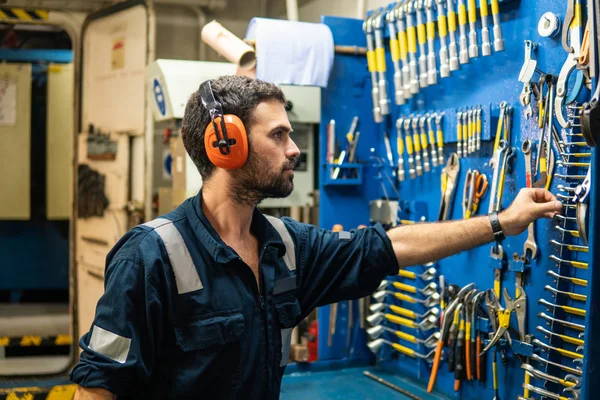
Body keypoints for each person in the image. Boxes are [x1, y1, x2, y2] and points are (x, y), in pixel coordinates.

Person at [70, 76, 562, 400]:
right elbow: (97, 391)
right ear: (226, 144)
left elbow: (390, 246)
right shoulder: (150, 255)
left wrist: (502, 221)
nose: (295, 150)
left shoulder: (285, 247)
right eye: (279, 135)